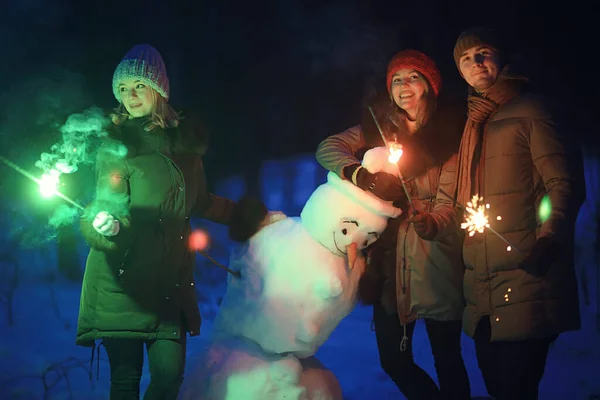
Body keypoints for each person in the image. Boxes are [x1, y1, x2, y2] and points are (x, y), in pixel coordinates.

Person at [76, 44, 277, 400]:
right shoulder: (116, 146)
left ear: (159, 89)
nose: (130, 96)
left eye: (138, 85)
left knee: (168, 379)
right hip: (122, 282)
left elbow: (199, 200)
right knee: (125, 381)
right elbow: (106, 204)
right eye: (122, 89)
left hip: (170, 282)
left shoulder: (185, 146)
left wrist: (246, 216)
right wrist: (106, 224)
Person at [316, 49, 470, 400]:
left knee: (447, 358)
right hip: (390, 266)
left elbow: (450, 200)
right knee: (393, 360)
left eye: (413, 77)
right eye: (397, 80)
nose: (404, 86)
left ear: (429, 85)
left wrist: (432, 221)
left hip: (435, 261)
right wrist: (361, 175)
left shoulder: (448, 134)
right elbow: (328, 147)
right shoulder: (379, 130)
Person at [452, 26, 586, 399]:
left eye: (483, 52)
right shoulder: (473, 122)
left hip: (528, 275)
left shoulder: (534, 110)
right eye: (465, 58)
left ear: (501, 58)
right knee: (498, 389)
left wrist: (549, 240)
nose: (476, 62)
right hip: (483, 289)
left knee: (516, 390)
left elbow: (565, 183)